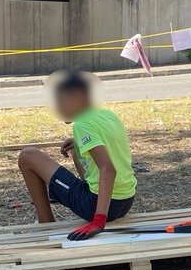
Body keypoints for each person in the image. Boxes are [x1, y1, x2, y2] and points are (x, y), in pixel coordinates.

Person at [17, 71, 136, 240]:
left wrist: (98, 221)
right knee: (76, 149)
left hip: (96, 206)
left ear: (78, 96)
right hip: (125, 201)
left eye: (61, 101)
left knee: (28, 156)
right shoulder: (108, 116)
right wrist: (78, 143)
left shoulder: (82, 124)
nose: (58, 108)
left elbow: (108, 169)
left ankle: (45, 222)